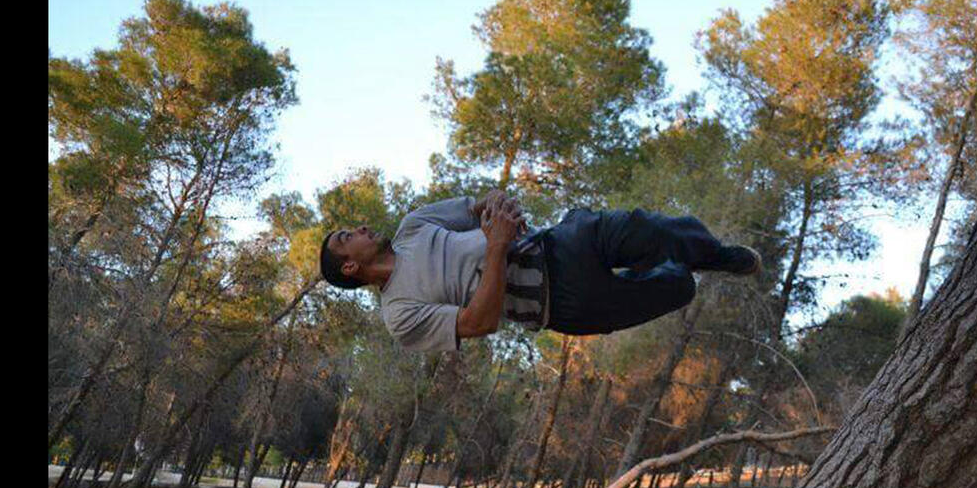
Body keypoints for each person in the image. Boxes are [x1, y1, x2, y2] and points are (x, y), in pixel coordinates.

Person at [319, 190, 760, 352]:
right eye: (345, 237)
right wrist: (496, 247)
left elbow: (479, 205)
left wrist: (497, 206)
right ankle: (686, 274)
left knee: (651, 229)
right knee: (676, 288)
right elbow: (479, 321)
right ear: (352, 266)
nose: (358, 228)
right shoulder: (399, 315)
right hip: (563, 304)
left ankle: (717, 255)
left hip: (561, 242)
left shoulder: (414, 225)